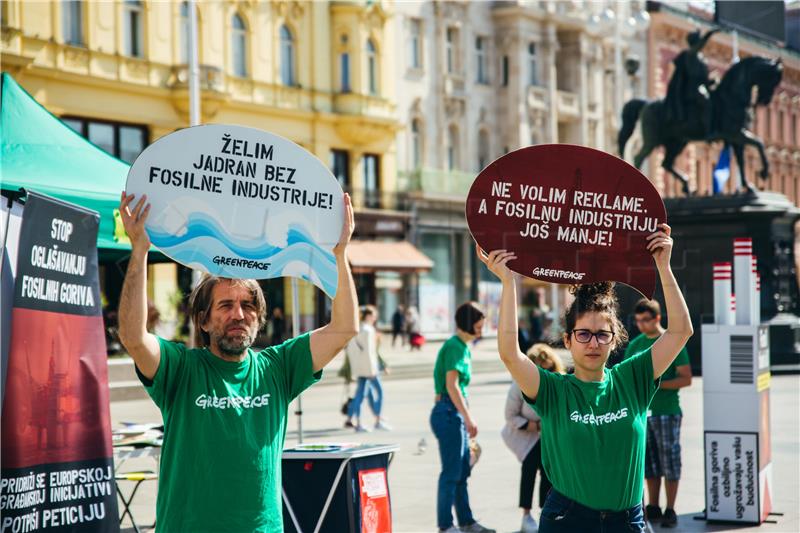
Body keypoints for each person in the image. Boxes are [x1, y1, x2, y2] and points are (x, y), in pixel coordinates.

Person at [116, 191, 358, 533]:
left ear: (259, 319)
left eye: (248, 305)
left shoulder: (279, 368)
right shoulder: (181, 369)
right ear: (203, 321)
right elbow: (133, 337)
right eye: (225, 305)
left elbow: (345, 328)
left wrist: (339, 253)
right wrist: (139, 249)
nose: (239, 315)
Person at [478, 223, 693, 533]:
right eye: (583, 334)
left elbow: (680, 331)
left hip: (628, 521)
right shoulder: (553, 389)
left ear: (615, 339)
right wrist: (509, 283)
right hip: (569, 520)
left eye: (602, 334)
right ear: (567, 340)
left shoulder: (633, 377)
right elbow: (511, 354)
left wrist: (663, 264)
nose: (593, 343)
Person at [624, 298, 692, 528]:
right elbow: (627, 379)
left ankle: (671, 508)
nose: (642, 325)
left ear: (657, 318)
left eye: (646, 320)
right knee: (649, 463)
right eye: (638, 321)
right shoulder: (635, 345)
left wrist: (654, 383)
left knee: (669, 461)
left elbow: (686, 377)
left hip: (667, 411)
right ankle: (653, 506)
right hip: (643, 413)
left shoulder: (671, 342)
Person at [430, 302, 496, 533]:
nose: (481, 331)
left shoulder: (462, 347)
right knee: (451, 473)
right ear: (468, 323)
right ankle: (446, 526)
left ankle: (466, 522)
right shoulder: (455, 346)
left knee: (460, 472)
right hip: (449, 412)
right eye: (479, 326)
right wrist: (468, 418)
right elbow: (452, 386)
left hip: (452, 412)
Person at [502, 344, 564, 533]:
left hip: (550, 437)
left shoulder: (560, 382)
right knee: (529, 468)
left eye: (549, 368)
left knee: (549, 473)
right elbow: (510, 416)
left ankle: (544, 512)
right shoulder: (519, 385)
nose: (546, 373)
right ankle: (526, 515)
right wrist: (537, 426)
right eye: (540, 369)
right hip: (525, 435)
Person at [344, 305, 391, 432]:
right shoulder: (368, 330)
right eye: (374, 315)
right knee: (377, 392)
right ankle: (375, 420)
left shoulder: (359, 328)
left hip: (361, 368)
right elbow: (370, 352)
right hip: (369, 369)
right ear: (369, 316)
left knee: (361, 394)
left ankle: (360, 420)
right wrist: (372, 370)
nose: (375, 318)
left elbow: (353, 350)